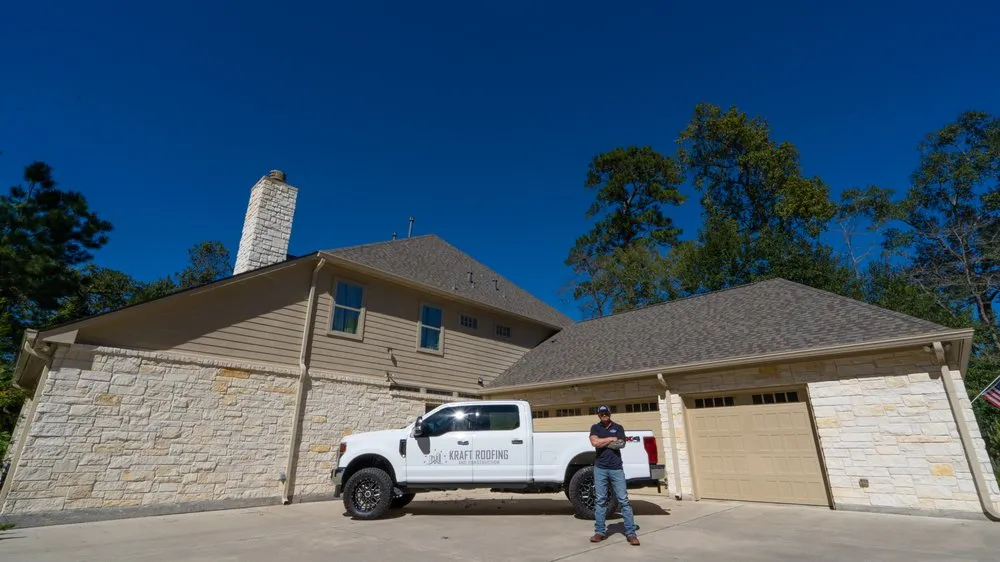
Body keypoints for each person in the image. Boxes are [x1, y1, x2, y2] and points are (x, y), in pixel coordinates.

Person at [588, 405, 640, 546]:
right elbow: (594, 442)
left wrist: (602, 442)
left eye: (606, 412)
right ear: (598, 415)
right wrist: (611, 438)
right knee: (600, 500)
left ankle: (631, 533)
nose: (604, 415)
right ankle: (599, 532)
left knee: (623, 500)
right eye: (601, 413)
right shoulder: (595, 428)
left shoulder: (619, 427)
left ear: (610, 413)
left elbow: (621, 444)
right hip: (600, 468)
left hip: (616, 469)